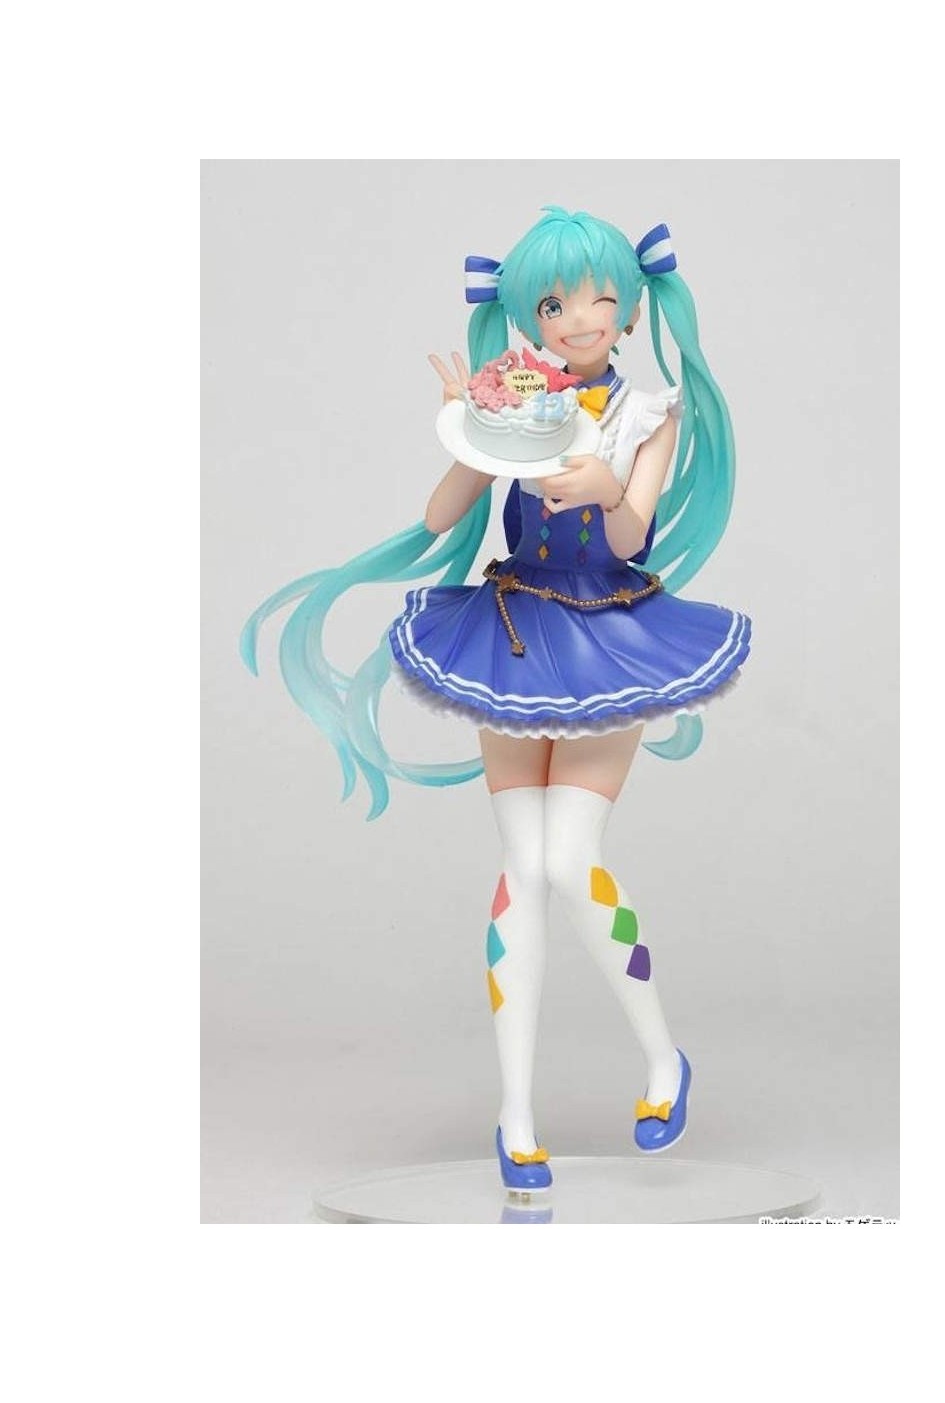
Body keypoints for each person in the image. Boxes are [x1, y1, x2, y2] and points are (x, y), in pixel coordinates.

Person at [242, 206, 751, 1193]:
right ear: (526, 318)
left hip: (608, 637)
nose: (579, 318)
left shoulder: (648, 415)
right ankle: (515, 1115)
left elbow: (631, 539)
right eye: (554, 304)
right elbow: (442, 514)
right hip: (512, 633)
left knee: (568, 857)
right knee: (522, 864)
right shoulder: (522, 400)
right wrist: (478, 439)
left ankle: (662, 1060)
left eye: (600, 298)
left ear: (631, 310)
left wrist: (604, 485)